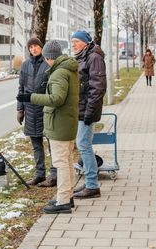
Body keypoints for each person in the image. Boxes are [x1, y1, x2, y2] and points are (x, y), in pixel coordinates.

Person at [17, 40, 79, 214]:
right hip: (66, 122)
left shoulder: (59, 73)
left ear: (49, 57)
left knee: (61, 162)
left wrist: (32, 98)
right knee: (66, 161)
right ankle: (67, 195)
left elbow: (56, 99)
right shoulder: (68, 69)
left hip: (59, 123)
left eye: (45, 56)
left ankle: (63, 201)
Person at [16, 37, 57, 187]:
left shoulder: (48, 63)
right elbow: (21, 88)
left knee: (51, 142)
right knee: (36, 144)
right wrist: (20, 109)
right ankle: (40, 174)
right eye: (31, 47)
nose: (34, 49)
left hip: (45, 109)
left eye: (36, 46)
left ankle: (54, 174)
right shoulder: (25, 65)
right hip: (30, 109)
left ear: (41, 47)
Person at [70, 29, 106, 199]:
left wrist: (89, 113)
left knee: (83, 144)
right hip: (82, 109)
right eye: (72, 42)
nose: (73, 44)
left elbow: (97, 88)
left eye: (76, 41)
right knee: (84, 144)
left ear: (85, 42)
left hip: (87, 110)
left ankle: (92, 185)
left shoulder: (94, 57)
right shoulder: (84, 56)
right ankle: (90, 182)